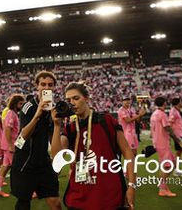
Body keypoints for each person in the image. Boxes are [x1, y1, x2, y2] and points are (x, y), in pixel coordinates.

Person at [50, 82, 137, 210]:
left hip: (109, 194)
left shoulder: (106, 120)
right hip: (79, 195)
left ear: (86, 98)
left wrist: (132, 185)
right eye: (68, 101)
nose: (72, 103)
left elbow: (127, 152)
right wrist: (57, 126)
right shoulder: (70, 128)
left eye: (76, 98)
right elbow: (57, 158)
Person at [11, 71, 61, 210]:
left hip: (43, 161)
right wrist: (37, 115)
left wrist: (57, 124)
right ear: (37, 86)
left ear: (54, 87)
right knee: (23, 203)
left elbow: (53, 139)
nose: (46, 88)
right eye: (43, 84)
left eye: (50, 85)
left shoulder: (54, 109)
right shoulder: (28, 106)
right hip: (25, 162)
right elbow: (22, 137)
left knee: (55, 202)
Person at [150, 96, 182, 197]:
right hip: (163, 143)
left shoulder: (154, 114)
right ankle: (162, 188)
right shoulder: (162, 114)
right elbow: (168, 129)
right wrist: (179, 142)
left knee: (171, 164)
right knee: (168, 166)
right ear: (164, 103)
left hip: (158, 142)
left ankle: (163, 185)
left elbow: (152, 130)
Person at [0, 94, 24, 198]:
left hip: (9, 144)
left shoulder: (13, 113)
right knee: (18, 167)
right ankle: (20, 189)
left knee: (6, 166)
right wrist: (11, 145)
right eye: (20, 103)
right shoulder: (11, 113)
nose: (22, 105)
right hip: (10, 145)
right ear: (15, 104)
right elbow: (7, 129)